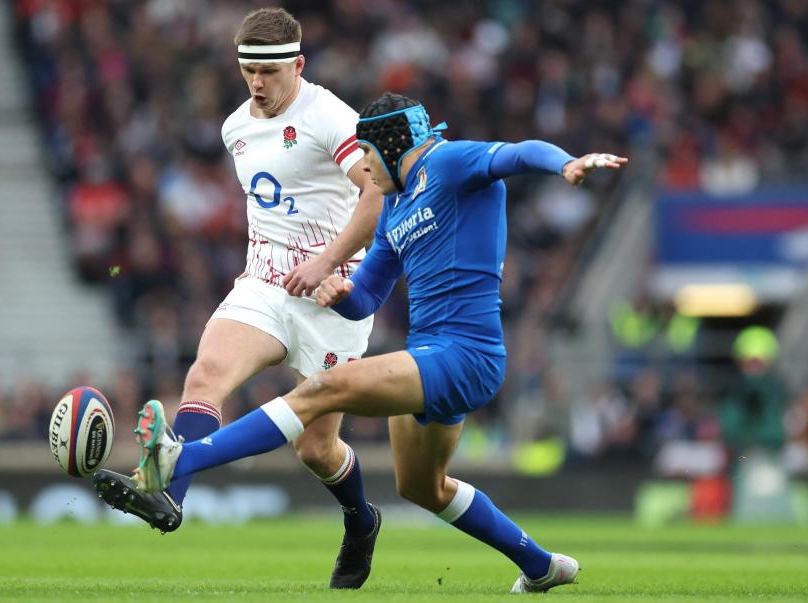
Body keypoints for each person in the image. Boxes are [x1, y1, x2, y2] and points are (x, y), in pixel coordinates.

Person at [125, 91, 627, 593]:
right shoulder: (392, 209)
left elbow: (517, 153)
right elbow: (366, 298)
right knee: (422, 488)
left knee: (325, 388)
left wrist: (565, 164)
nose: (364, 165)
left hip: (466, 354)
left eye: (367, 152)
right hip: (428, 356)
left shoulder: (448, 162)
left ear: (392, 144)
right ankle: (541, 566)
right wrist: (339, 293)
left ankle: (183, 458)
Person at [93, 7, 385, 590]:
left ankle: (361, 519)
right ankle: (170, 498)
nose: (257, 83)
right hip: (264, 283)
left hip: (333, 296)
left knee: (316, 451)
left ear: (297, 66)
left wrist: (327, 263)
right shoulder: (234, 128)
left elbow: (378, 193)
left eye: (269, 73)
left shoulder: (331, 115)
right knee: (204, 379)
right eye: (248, 70)